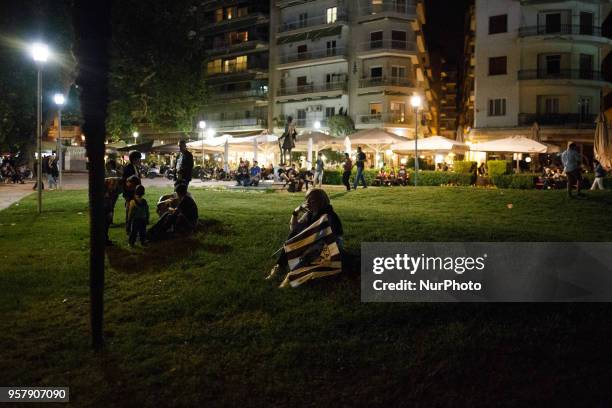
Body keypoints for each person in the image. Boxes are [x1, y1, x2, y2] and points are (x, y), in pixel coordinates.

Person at [266, 188, 344, 284]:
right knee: (295, 233)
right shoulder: (310, 214)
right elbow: (293, 229)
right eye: (306, 199)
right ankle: (280, 266)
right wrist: (295, 213)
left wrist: (308, 249)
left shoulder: (328, 215)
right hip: (313, 244)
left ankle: (292, 274)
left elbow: (328, 240)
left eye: (311, 199)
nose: (307, 202)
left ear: (321, 200)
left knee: (307, 260)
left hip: (328, 246)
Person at [103, 176, 123, 245]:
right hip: (104, 208)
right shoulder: (108, 186)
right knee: (104, 223)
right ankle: (103, 240)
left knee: (106, 223)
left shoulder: (115, 189)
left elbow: (113, 199)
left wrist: (111, 210)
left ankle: (105, 239)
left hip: (107, 207)